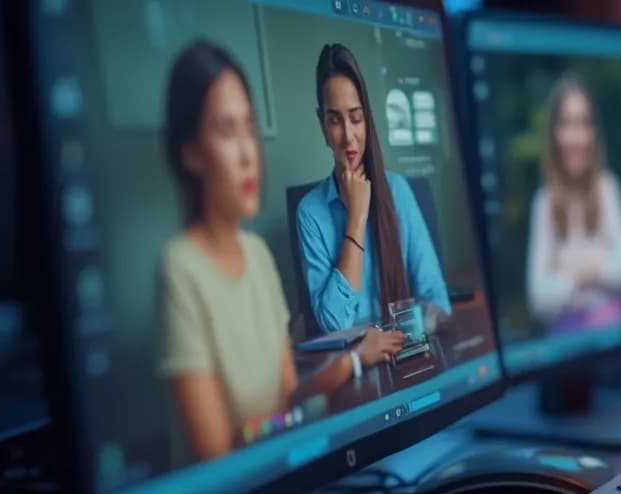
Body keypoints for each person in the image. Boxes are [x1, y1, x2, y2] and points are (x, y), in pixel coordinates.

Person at [158, 41, 404, 461]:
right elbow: (223, 449)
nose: (248, 154)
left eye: (250, 128)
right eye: (226, 131)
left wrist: (354, 361)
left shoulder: (255, 253)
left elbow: (289, 400)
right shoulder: (180, 270)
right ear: (191, 154)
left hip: (287, 483)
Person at [296, 43, 451, 335]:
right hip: (353, 371)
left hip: (406, 354)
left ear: (367, 117)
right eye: (334, 120)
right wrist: (356, 217)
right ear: (322, 126)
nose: (349, 136)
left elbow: (437, 300)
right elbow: (333, 324)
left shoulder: (398, 192)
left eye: (355, 118)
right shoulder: (310, 213)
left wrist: (405, 334)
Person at [525, 75, 621, 333]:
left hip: (612, 335)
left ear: (594, 132)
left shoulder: (607, 188)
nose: (576, 137)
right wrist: (599, 268)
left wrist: (571, 273)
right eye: (566, 124)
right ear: (553, 133)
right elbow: (537, 297)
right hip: (566, 345)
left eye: (583, 124)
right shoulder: (544, 203)